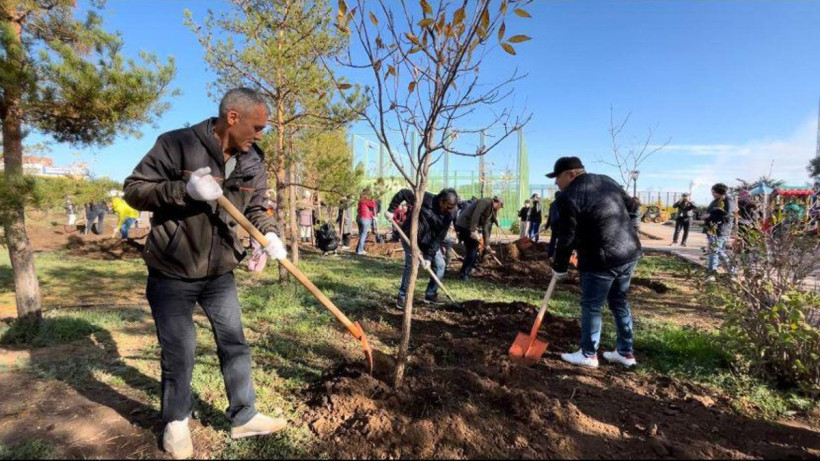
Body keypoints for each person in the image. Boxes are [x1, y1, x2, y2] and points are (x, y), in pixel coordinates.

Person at [122, 88, 289, 459]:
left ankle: (244, 416)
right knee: (180, 349)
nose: (260, 135)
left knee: (234, 342)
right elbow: (134, 190)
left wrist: (268, 234)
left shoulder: (252, 160)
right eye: (257, 127)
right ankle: (176, 421)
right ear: (232, 117)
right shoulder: (176, 144)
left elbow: (256, 207)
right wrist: (185, 189)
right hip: (172, 269)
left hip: (219, 270)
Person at [547, 156, 642, 369]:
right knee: (619, 301)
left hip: (600, 259)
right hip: (629, 254)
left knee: (592, 306)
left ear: (571, 174)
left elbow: (566, 237)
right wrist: (633, 231)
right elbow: (634, 206)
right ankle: (625, 353)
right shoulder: (607, 180)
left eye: (557, 177)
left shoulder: (568, 196)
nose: (556, 182)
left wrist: (559, 266)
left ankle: (588, 354)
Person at [385, 188, 459, 308]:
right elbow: (404, 193)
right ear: (441, 201)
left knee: (440, 265)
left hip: (428, 242)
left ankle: (430, 294)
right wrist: (391, 210)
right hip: (410, 237)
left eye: (452, 207)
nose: (450, 209)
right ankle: (402, 297)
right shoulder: (426, 198)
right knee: (412, 264)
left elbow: (438, 238)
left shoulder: (449, 215)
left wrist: (428, 257)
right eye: (448, 206)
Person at [455, 196, 503, 281]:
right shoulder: (486, 201)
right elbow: (476, 214)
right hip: (464, 225)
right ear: (498, 203)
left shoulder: (490, 211)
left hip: (468, 227)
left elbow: (486, 227)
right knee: (472, 249)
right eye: (500, 206)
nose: (499, 209)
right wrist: (473, 230)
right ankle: (464, 274)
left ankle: (467, 270)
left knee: (473, 248)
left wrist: (487, 245)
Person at [702, 182, 735, 282]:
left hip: (720, 230)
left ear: (719, 191)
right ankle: (731, 271)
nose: (712, 193)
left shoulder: (728, 200)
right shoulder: (716, 200)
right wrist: (707, 216)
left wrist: (710, 216)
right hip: (712, 229)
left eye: (713, 191)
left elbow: (727, 215)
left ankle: (713, 273)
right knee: (716, 251)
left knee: (715, 251)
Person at [355, 190, 376, 255]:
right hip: (365, 218)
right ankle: (360, 251)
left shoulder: (360, 202)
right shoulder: (366, 201)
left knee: (361, 235)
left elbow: (357, 210)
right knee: (363, 235)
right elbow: (373, 205)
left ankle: (358, 249)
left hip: (359, 218)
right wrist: (373, 200)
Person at [543, 191, 561, 260]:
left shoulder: (552, 204)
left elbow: (550, 217)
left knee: (553, 240)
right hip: (561, 224)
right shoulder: (563, 203)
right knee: (561, 240)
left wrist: (546, 226)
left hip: (554, 225)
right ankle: (558, 256)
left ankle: (550, 254)